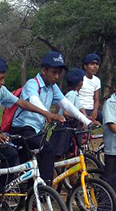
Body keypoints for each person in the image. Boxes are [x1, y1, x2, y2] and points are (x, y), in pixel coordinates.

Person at [0, 58, 62, 190]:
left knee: (11, 155)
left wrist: (45, 113)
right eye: (1, 79)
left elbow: (21, 103)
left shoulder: (0, 91)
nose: (3, 82)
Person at [9, 51, 92, 184]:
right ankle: (44, 190)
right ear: (43, 70)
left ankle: (32, 189)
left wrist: (86, 121)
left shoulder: (52, 87)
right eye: (54, 72)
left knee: (37, 158)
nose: (56, 76)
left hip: (36, 130)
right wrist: (47, 114)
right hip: (22, 128)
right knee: (48, 150)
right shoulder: (33, 83)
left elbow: (66, 104)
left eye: (59, 73)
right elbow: (33, 100)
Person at [79, 53, 102, 122]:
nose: (95, 66)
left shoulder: (97, 80)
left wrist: (95, 110)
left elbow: (96, 99)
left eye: (97, 64)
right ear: (85, 66)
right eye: (92, 64)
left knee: (106, 119)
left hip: (91, 109)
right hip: (80, 108)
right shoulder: (80, 78)